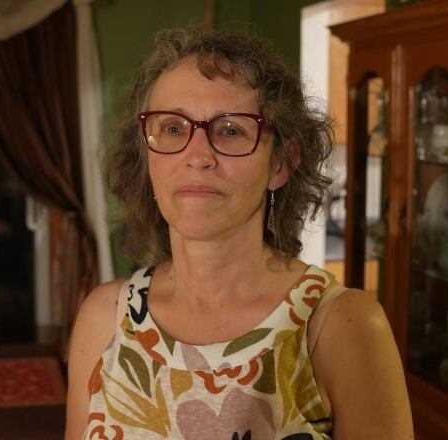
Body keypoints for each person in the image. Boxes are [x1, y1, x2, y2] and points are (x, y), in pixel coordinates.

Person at [65, 27, 413, 439]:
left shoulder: (342, 327)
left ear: (281, 164)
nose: (197, 156)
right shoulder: (103, 319)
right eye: (173, 128)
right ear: (146, 158)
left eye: (231, 130)